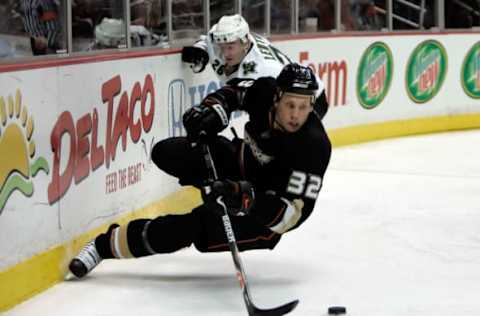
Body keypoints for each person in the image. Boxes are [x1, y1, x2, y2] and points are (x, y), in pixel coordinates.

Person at [68, 63, 332, 278]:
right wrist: (212, 109)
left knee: (187, 227)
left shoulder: (313, 148)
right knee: (167, 152)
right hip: (238, 166)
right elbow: (234, 93)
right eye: (290, 105)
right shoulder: (264, 93)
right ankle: (218, 192)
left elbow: (291, 216)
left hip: (261, 216)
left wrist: (246, 199)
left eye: (303, 107)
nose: (296, 115)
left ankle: (104, 246)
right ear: (277, 97)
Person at [181, 13, 329, 120]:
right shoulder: (224, 37)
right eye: (222, 46)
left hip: (309, 98)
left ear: (245, 42)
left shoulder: (264, 69)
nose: (225, 53)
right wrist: (200, 49)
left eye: (230, 47)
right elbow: (208, 40)